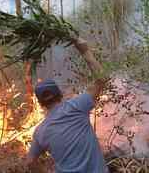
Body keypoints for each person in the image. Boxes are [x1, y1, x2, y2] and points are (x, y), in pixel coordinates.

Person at [27, 38, 109, 173]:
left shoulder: (40, 132)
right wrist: (84, 50)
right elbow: (101, 79)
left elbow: (30, 162)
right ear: (60, 94)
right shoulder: (77, 106)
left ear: (41, 103)